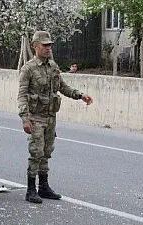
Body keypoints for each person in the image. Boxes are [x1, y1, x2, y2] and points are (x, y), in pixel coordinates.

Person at [18, 31, 93, 203]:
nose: (48, 48)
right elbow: (22, 95)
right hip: (35, 117)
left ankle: (43, 187)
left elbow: (62, 87)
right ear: (35, 46)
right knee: (36, 152)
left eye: (49, 45)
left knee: (46, 152)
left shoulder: (53, 66)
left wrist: (79, 95)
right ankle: (31, 190)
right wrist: (25, 117)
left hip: (51, 116)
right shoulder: (28, 69)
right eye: (44, 45)